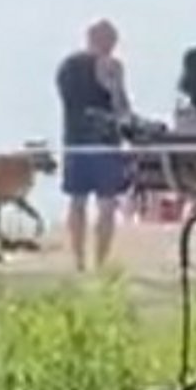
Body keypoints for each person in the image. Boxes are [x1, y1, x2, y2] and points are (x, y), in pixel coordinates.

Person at [55, 18, 134, 271]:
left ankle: (86, 261)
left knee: (84, 202)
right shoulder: (107, 67)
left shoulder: (67, 67)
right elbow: (121, 106)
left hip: (78, 140)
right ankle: (92, 261)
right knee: (101, 203)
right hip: (101, 143)